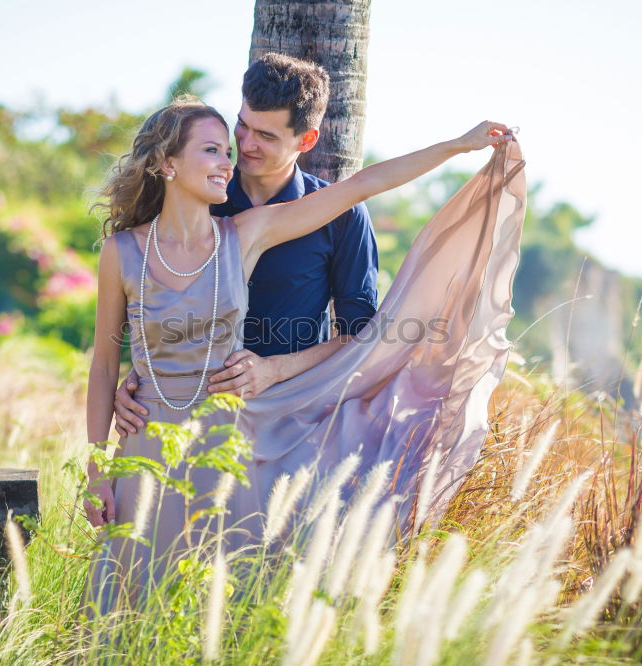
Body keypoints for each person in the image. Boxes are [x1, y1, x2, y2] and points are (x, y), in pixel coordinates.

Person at [82, 98, 524, 613]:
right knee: (134, 606)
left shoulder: (246, 234)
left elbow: (361, 186)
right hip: (145, 444)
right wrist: (96, 474)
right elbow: (104, 365)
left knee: (218, 606)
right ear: (167, 163)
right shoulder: (122, 252)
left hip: (227, 444)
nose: (230, 160)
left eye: (227, 150)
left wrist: (458, 145)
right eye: (212, 149)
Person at [111, 54, 379, 437]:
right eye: (243, 125)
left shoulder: (343, 217)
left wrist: (275, 370)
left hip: (294, 425)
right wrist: (138, 380)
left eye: (267, 136)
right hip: (188, 427)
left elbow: (362, 335)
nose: (246, 145)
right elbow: (151, 300)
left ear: (307, 140)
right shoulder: (193, 191)